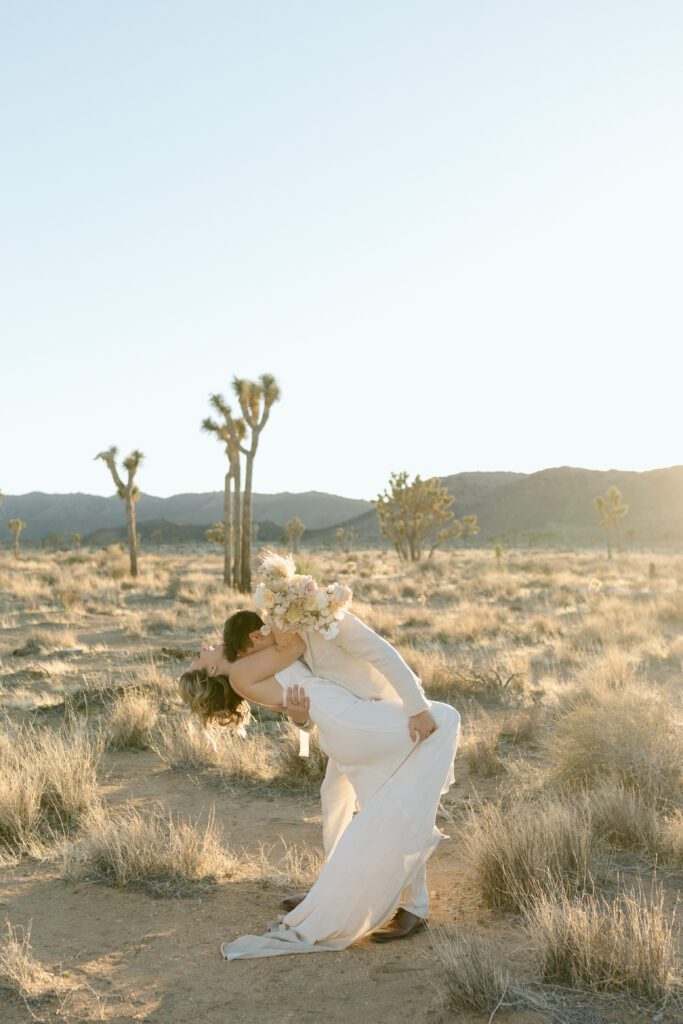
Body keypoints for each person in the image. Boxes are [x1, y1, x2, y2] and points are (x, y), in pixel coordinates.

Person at [180, 613, 460, 959]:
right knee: (446, 720)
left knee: (348, 799)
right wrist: (288, 604)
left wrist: (299, 715)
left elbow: (296, 708)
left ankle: (386, 898)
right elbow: (293, 647)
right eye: (198, 657)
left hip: (343, 725)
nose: (202, 648)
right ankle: (412, 846)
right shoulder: (239, 674)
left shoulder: (246, 664)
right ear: (208, 671)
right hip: (348, 724)